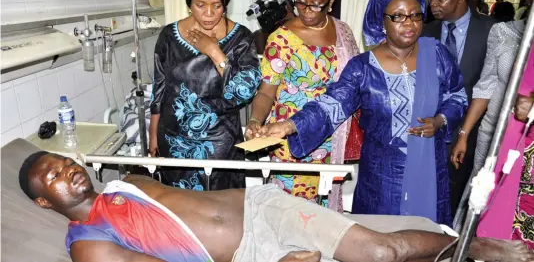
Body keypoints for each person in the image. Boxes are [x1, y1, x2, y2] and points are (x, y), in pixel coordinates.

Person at [19, 151, 534, 262]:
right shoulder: (90, 245)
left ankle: (476, 246)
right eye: (52, 177)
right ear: (45, 203)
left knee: (382, 254)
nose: (65, 170)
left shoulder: (124, 180)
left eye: (62, 161)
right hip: (253, 256)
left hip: (264, 204)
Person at [258, 0, 467, 226]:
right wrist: (290, 125)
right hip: (382, 177)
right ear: (382, 20)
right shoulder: (363, 67)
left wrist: (441, 119)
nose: (408, 23)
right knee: (381, 240)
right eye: (398, 17)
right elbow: (332, 104)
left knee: (426, 238)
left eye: (415, 15)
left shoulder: (437, 54)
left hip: (429, 172)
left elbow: (458, 95)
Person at [245, 0, 363, 211]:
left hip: (330, 136)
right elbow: (267, 91)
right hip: (291, 140)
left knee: (323, 210)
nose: (307, 10)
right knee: (293, 211)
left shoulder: (343, 31)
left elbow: (353, 85)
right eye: (301, 2)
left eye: (316, 4)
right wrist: (255, 121)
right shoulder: (282, 38)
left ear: (331, 1)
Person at [149, 0, 261, 191]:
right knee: (179, 208)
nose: (209, 14)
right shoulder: (169, 36)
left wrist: (213, 51)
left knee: (219, 211)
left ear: (225, 3)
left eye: (217, 6)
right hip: (173, 143)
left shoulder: (241, 39)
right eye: (200, 5)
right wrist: (153, 136)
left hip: (219, 145)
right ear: (189, 3)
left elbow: (244, 92)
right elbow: (159, 89)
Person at [450, 0, 533, 230]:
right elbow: (486, 86)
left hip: (527, 144)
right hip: (493, 137)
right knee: (482, 199)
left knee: (515, 209)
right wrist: (464, 134)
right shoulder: (503, 31)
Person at [424, 0, 497, 215]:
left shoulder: (492, 32)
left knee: (457, 200)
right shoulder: (426, 32)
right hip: (430, 129)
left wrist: (465, 132)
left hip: (471, 132)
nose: (432, 3)